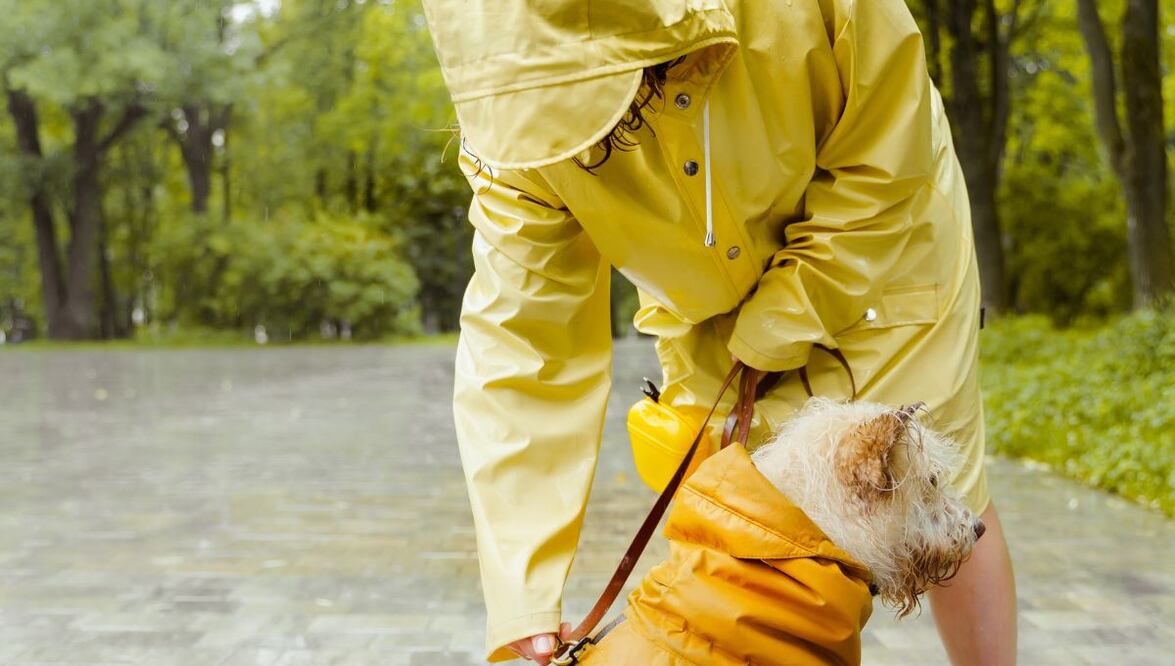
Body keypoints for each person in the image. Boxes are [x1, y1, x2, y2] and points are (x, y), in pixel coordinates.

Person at [422, 0, 1018, 663]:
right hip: (707, 313)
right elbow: (525, 351)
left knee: (937, 495)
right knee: (734, 520)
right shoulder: (511, 154)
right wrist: (521, 601)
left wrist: (780, 320)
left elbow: (883, 157)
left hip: (885, 246)